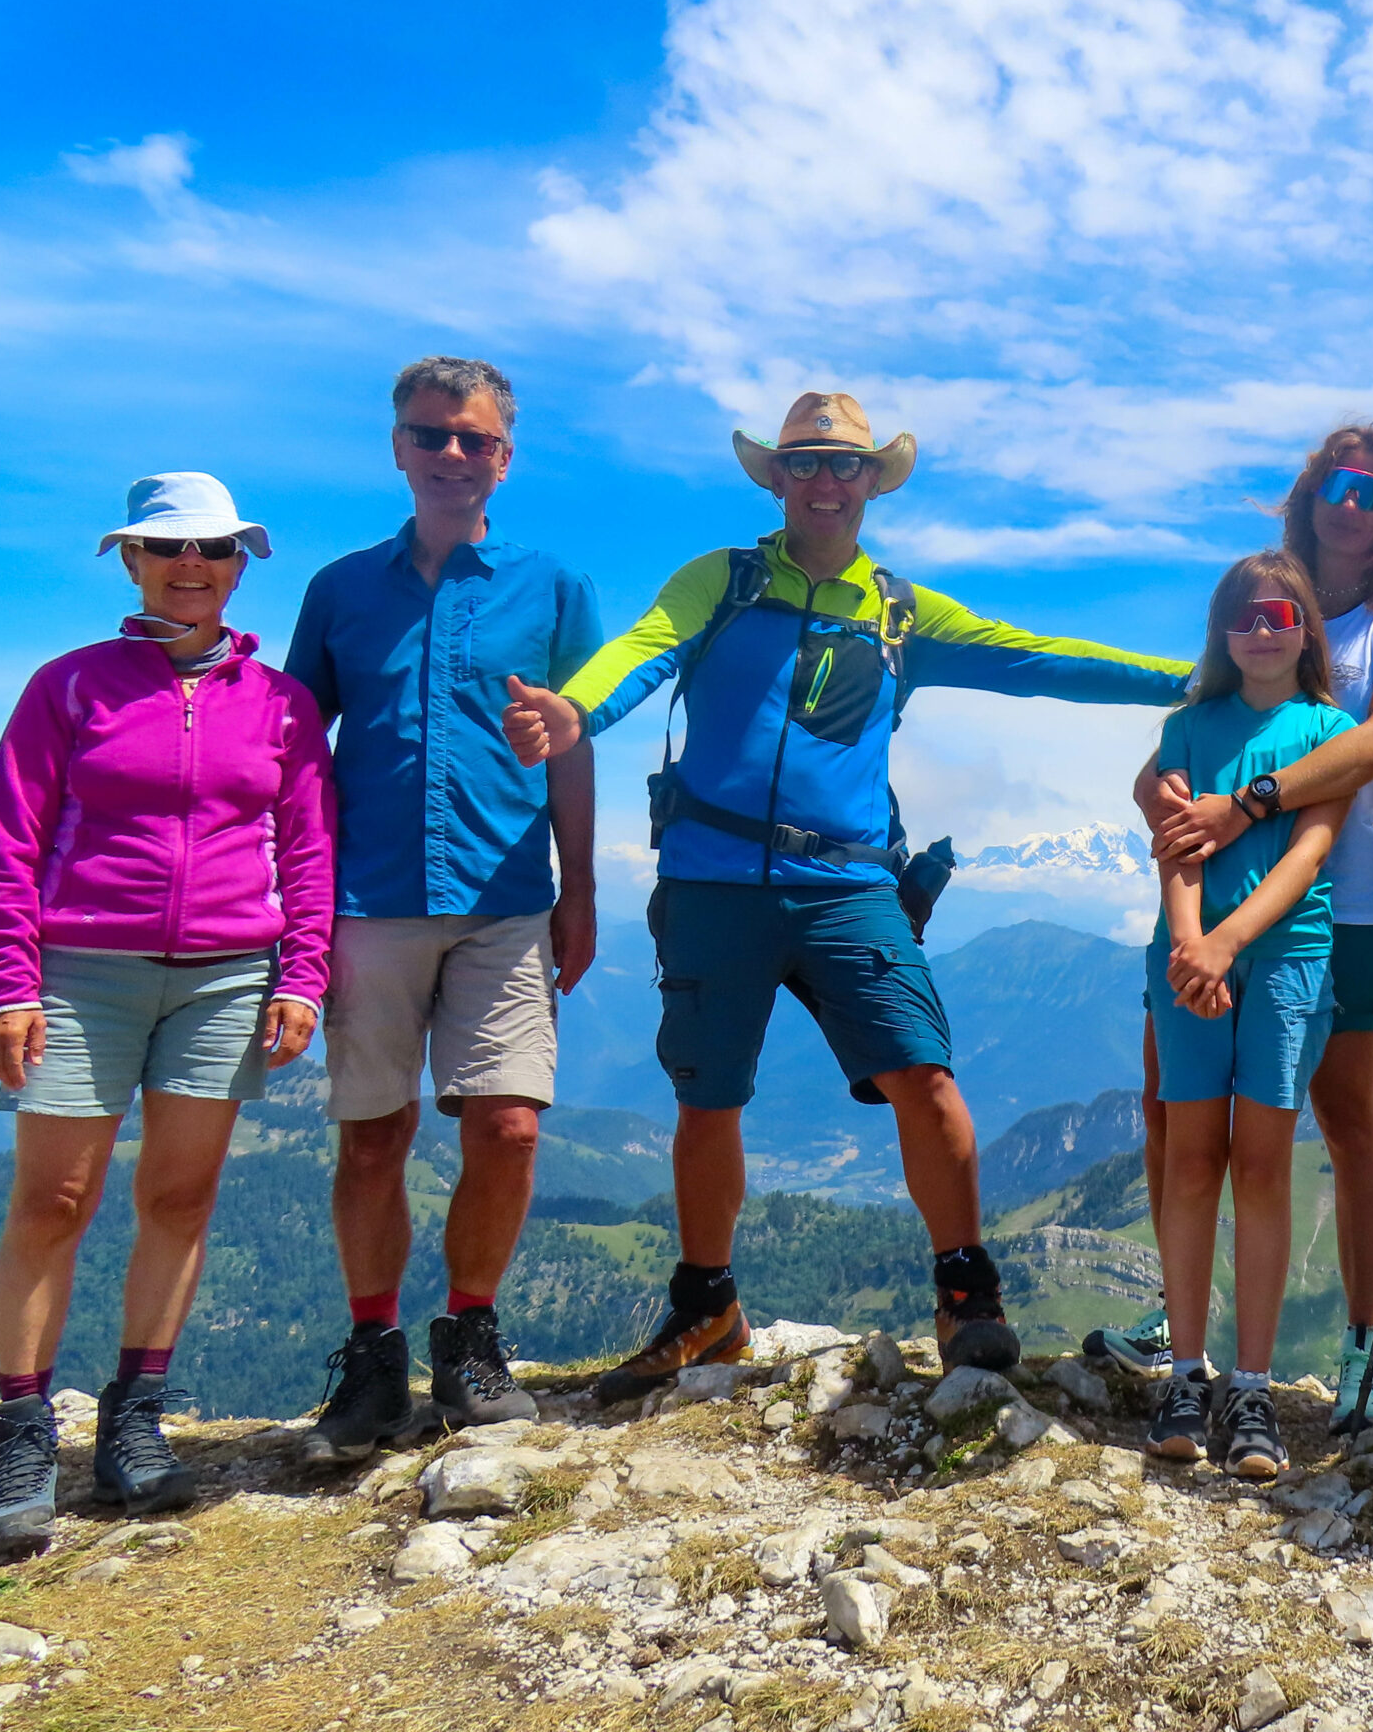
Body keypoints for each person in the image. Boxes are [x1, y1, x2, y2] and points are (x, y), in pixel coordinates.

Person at [505, 393, 1192, 1394]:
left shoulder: (902, 613)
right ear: (776, 479)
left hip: (848, 884)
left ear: (873, 481)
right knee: (707, 1098)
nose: (825, 481)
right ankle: (707, 1308)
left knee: (925, 1075)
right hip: (714, 879)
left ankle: (967, 1296)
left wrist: (1196, 680)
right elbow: (643, 650)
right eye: (805, 463)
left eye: (845, 464)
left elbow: (1042, 660)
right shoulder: (721, 581)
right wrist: (576, 712)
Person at [0, 475, 333, 1553]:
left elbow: (309, 848)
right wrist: (9, 985)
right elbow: (12, 841)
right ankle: (23, 1434)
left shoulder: (280, 704)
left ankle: (135, 1422)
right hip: (80, 973)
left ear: (239, 565)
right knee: (54, 1199)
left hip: (227, 976)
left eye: (214, 548)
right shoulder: (68, 687)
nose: (192, 565)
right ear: (130, 560)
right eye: (168, 547)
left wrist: (302, 975)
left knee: (180, 1195)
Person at [283, 357, 603, 1461]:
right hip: (366, 898)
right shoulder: (340, 591)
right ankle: (374, 1358)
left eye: (473, 438)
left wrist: (581, 888)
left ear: (505, 458)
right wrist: (294, 901)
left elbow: (575, 745)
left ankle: (469, 1337)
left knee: (508, 1127)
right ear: (399, 449)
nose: (451, 454)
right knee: (375, 1138)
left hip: (505, 895)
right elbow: (295, 752)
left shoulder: (553, 588)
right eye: (430, 435)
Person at [1094, 425, 1373, 1422]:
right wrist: (1161, 796)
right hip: (1210, 916)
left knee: (1343, 1119)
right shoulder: (1262, 604)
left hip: (1339, 911)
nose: (1350, 503)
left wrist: (1241, 807)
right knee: (1177, 1113)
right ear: (1308, 494)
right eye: (1336, 483)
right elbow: (1174, 763)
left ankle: (1363, 1346)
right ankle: (1183, 1322)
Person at [1141, 552, 1355, 1477]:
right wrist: (1193, 947)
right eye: (1245, 616)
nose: (1263, 631)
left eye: (1281, 616)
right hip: (1191, 960)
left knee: (1262, 1166)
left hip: (1285, 959)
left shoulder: (1330, 731)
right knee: (1191, 1160)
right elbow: (1175, 845)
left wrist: (1220, 946)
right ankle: (1187, 1373)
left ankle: (1253, 1385)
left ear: (1307, 630)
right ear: (1221, 633)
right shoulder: (1186, 728)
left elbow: (1309, 855)